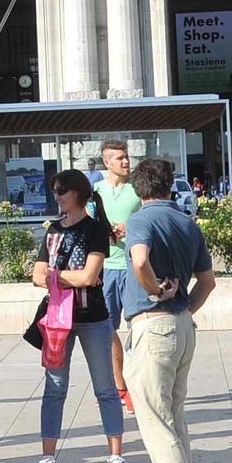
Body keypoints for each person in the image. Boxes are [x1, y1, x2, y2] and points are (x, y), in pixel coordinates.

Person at [123, 157, 217, 463]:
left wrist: (152, 290)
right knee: (174, 418)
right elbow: (207, 282)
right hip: (181, 323)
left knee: (156, 421)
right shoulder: (187, 222)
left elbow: (140, 260)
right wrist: (183, 308)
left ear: (137, 188)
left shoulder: (140, 220)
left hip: (153, 323)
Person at [29, 169, 127, 463]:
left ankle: (115, 457)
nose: (57, 197)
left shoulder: (96, 230)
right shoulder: (52, 231)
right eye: (55, 191)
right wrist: (68, 277)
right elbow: (37, 276)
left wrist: (55, 277)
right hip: (59, 319)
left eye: (62, 191)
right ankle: (47, 460)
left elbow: (89, 277)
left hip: (93, 316)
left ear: (79, 194)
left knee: (106, 388)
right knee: (54, 388)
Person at [94, 138, 141, 347]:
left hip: (133, 268)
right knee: (106, 329)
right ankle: (113, 377)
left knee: (137, 326)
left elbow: (148, 221)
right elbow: (88, 225)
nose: (126, 162)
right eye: (120, 158)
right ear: (107, 162)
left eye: (127, 157)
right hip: (106, 269)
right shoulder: (95, 192)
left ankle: (135, 375)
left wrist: (129, 229)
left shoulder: (138, 190)